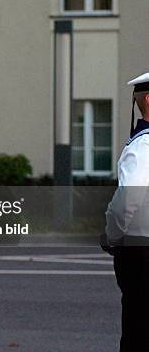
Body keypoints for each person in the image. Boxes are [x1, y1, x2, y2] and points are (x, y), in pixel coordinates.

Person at [105, 72, 149, 352]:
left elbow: (125, 203)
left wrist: (111, 234)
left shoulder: (143, 146)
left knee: (138, 333)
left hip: (141, 254)